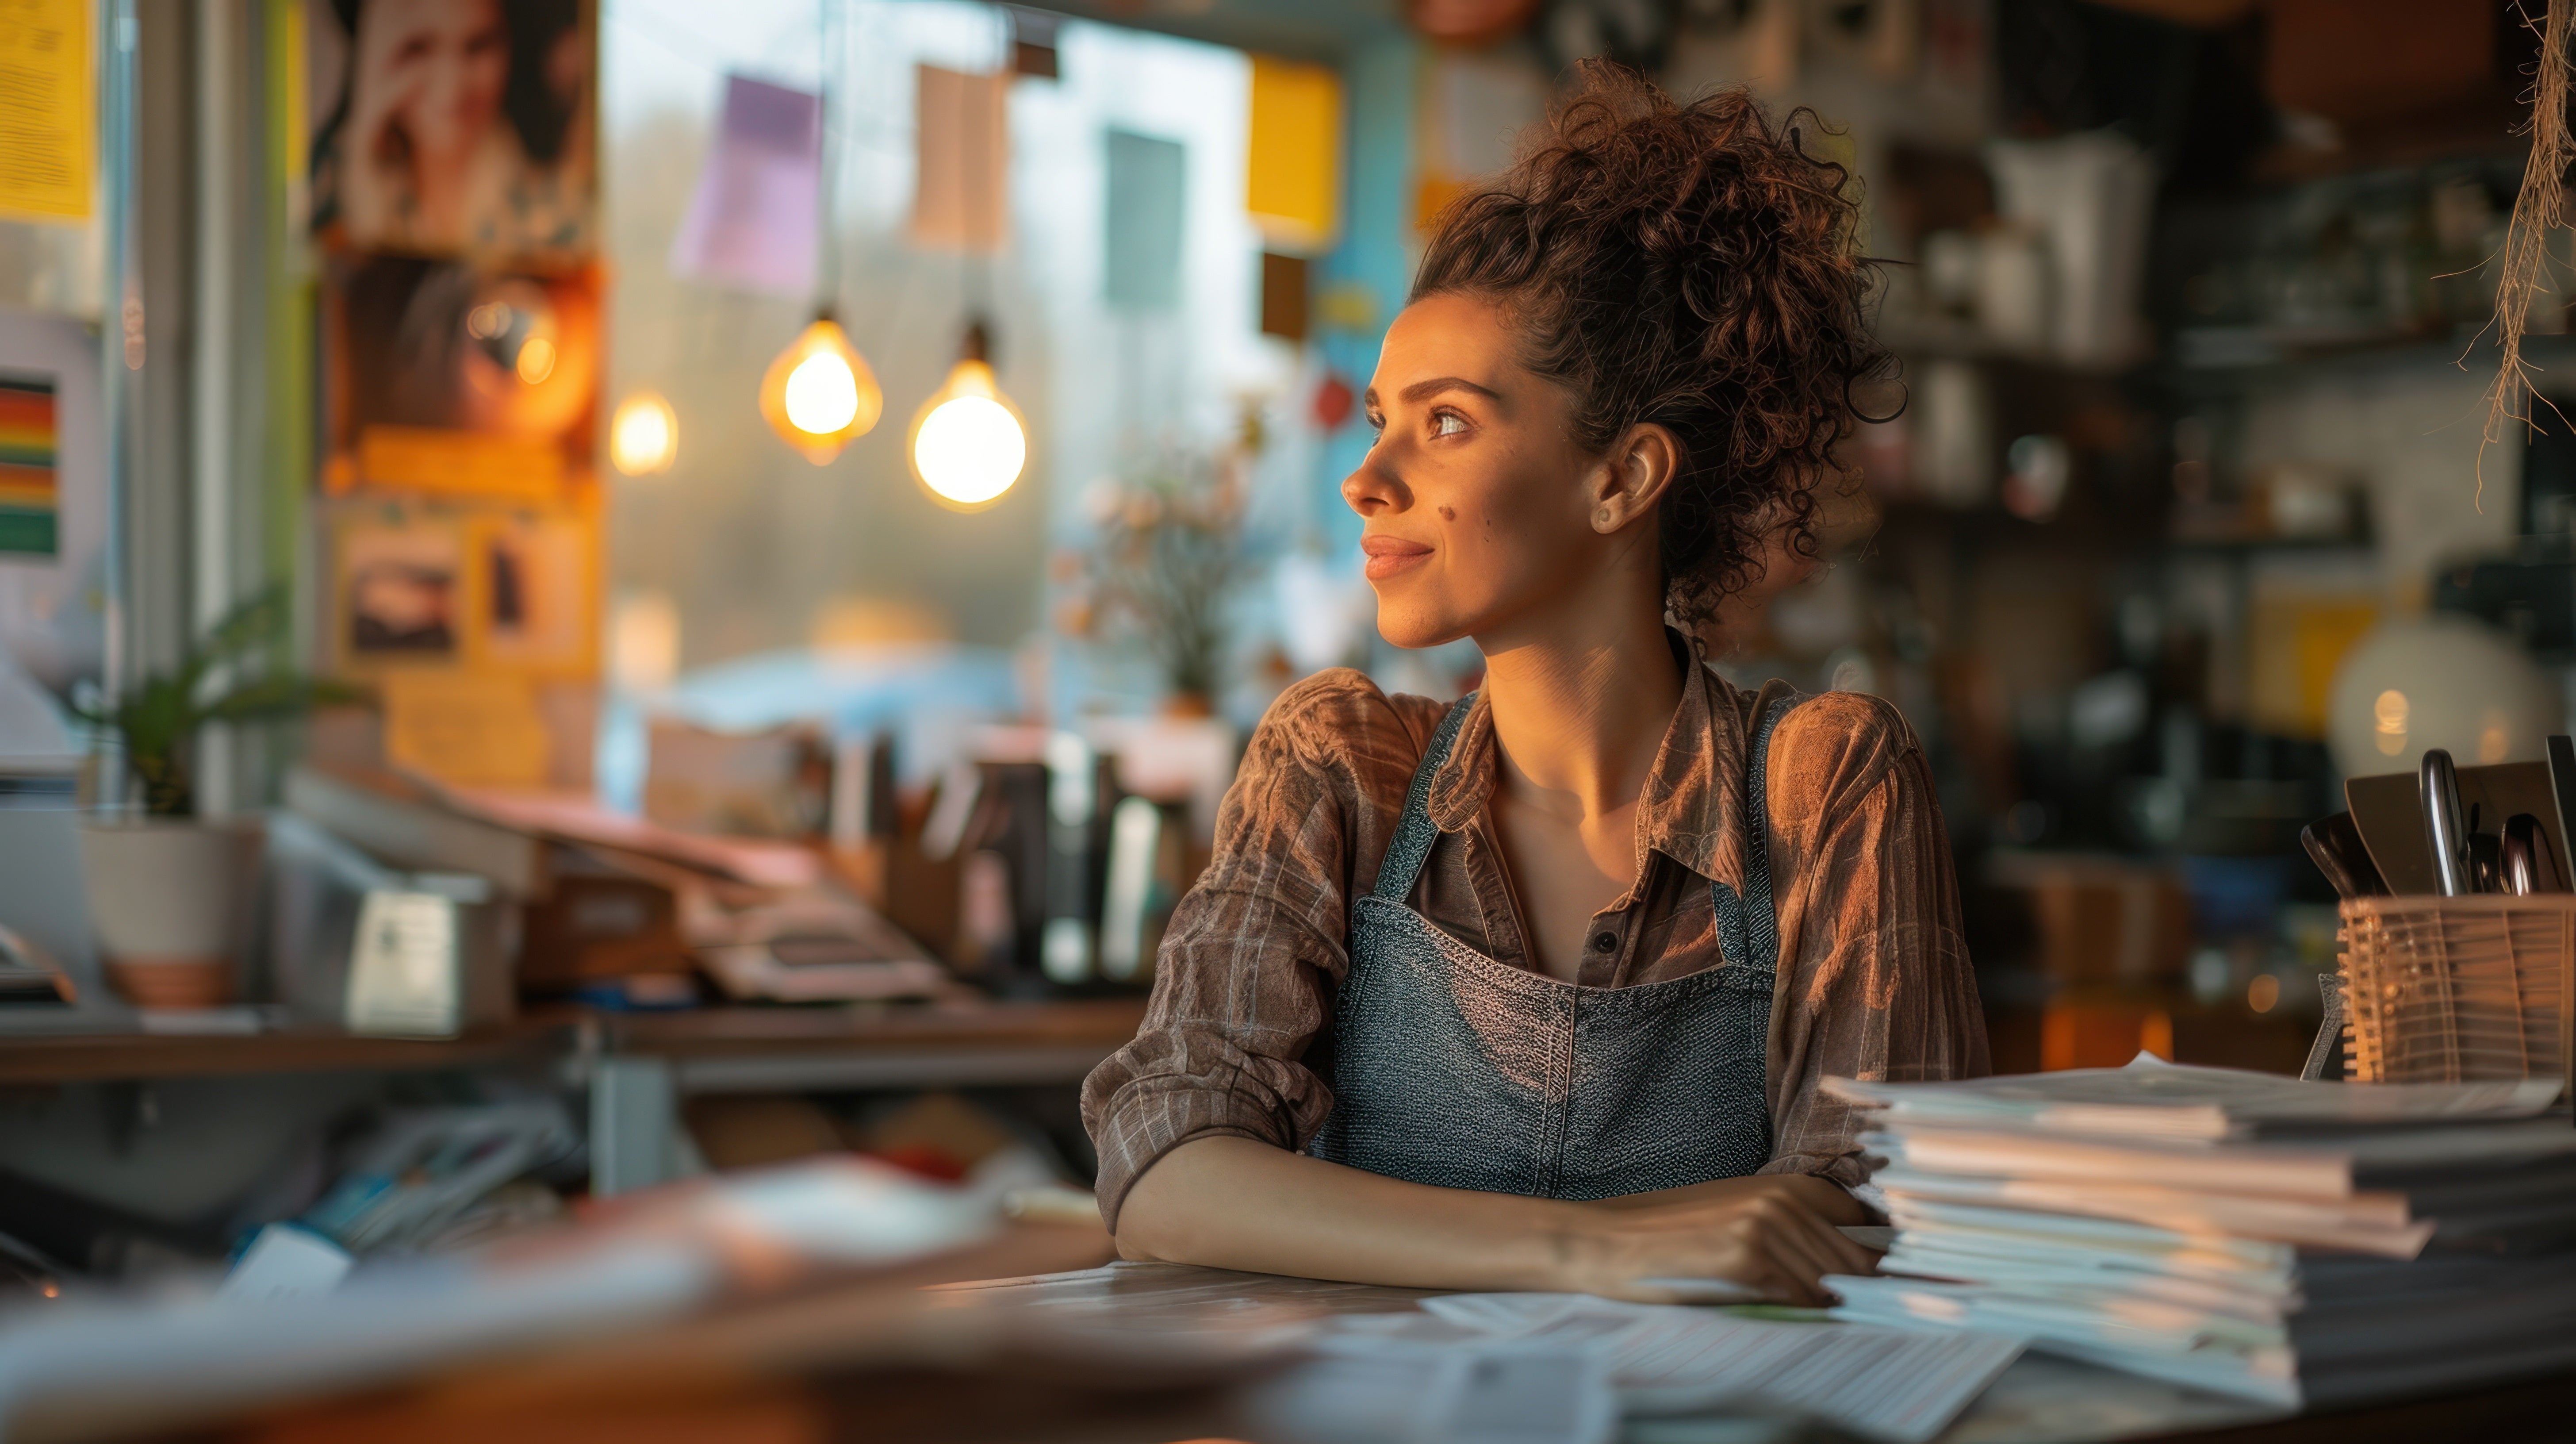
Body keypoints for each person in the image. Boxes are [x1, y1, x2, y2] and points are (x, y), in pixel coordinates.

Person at [1081, 65, 1989, 1306]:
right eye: (1380, 421)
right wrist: (1590, 1249)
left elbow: (1880, 1214)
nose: (1370, 477)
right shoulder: (1341, 765)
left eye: (1445, 423)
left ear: (1622, 481)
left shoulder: (1824, 783)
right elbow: (1167, 1173)